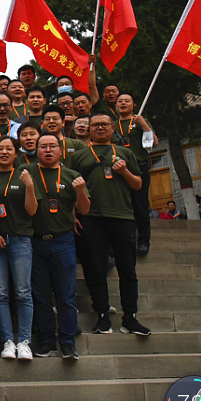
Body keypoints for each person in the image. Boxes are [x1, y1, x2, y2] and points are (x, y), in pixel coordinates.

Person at [69, 112, 151, 337]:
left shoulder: (125, 153)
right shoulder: (79, 156)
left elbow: (138, 185)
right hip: (90, 217)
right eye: (95, 125)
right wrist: (73, 215)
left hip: (122, 215)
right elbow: (71, 187)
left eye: (104, 124)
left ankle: (130, 316)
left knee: (127, 268)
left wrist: (124, 171)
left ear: (112, 127)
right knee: (95, 268)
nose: (100, 128)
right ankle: (102, 315)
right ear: (89, 129)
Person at [28, 133, 90, 358]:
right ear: (36, 150)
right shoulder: (27, 172)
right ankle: (46, 341)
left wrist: (80, 191)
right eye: (42, 146)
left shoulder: (72, 175)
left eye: (52, 146)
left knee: (66, 295)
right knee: (41, 295)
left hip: (63, 241)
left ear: (60, 150)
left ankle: (67, 341)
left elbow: (84, 209)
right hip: (35, 241)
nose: (47, 150)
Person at [0, 136, 38, 360]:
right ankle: (7, 341)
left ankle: (24, 341)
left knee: (23, 292)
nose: (4, 152)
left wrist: (30, 187)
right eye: (0, 149)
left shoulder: (24, 174)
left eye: (9, 149)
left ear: (16, 153)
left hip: (20, 239)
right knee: (0, 292)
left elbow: (32, 211)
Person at [115, 93, 157, 255]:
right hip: (119, 168)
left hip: (139, 167)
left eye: (127, 101)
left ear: (134, 105)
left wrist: (144, 125)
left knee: (141, 205)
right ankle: (127, 239)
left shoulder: (139, 121)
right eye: (120, 101)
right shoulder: (113, 124)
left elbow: (153, 143)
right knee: (124, 204)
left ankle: (144, 241)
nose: (123, 103)